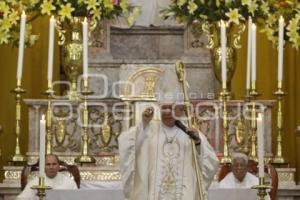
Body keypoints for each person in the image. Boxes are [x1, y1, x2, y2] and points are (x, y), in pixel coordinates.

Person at [118, 70, 219, 200]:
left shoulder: (190, 133)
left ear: (181, 109)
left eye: (171, 108)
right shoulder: (150, 129)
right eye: (163, 108)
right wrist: (143, 124)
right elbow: (129, 146)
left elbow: (209, 163)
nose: (166, 112)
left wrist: (198, 144)